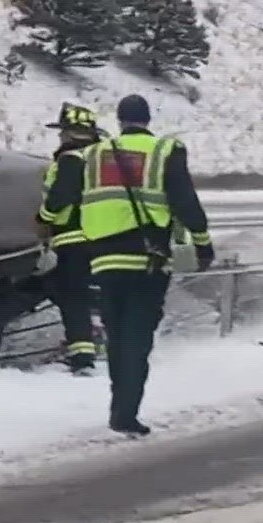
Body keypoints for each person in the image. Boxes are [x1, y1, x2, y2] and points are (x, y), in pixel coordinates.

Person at [41, 94, 214, 436]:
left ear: (119, 120)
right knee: (137, 337)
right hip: (148, 258)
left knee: (117, 334)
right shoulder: (166, 151)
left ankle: (118, 407)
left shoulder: (90, 157)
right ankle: (127, 411)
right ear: (148, 119)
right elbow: (185, 200)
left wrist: (44, 220)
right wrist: (203, 244)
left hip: (104, 260)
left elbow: (61, 199)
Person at [35, 103, 105, 375]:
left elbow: (60, 196)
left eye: (63, 131)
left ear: (71, 132)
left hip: (73, 237)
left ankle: (81, 355)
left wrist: (43, 218)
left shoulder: (71, 158)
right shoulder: (103, 159)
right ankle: (99, 338)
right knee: (93, 292)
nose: (61, 136)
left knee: (71, 294)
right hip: (103, 234)